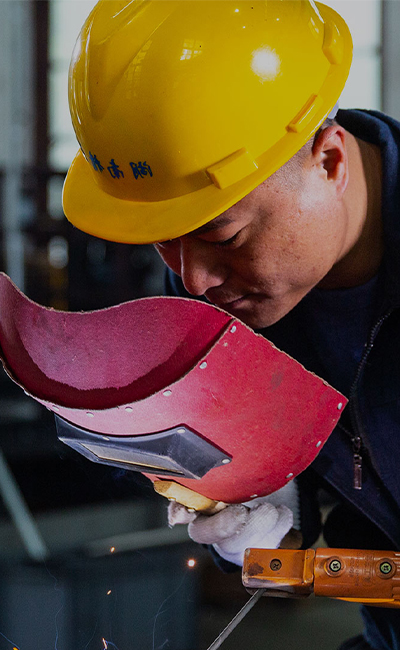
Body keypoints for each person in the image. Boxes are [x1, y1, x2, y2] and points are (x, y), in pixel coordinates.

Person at [62, 1, 400, 648]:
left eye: (224, 235)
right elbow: (286, 546)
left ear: (329, 161)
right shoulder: (225, 293)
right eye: (164, 240)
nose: (193, 281)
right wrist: (263, 521)